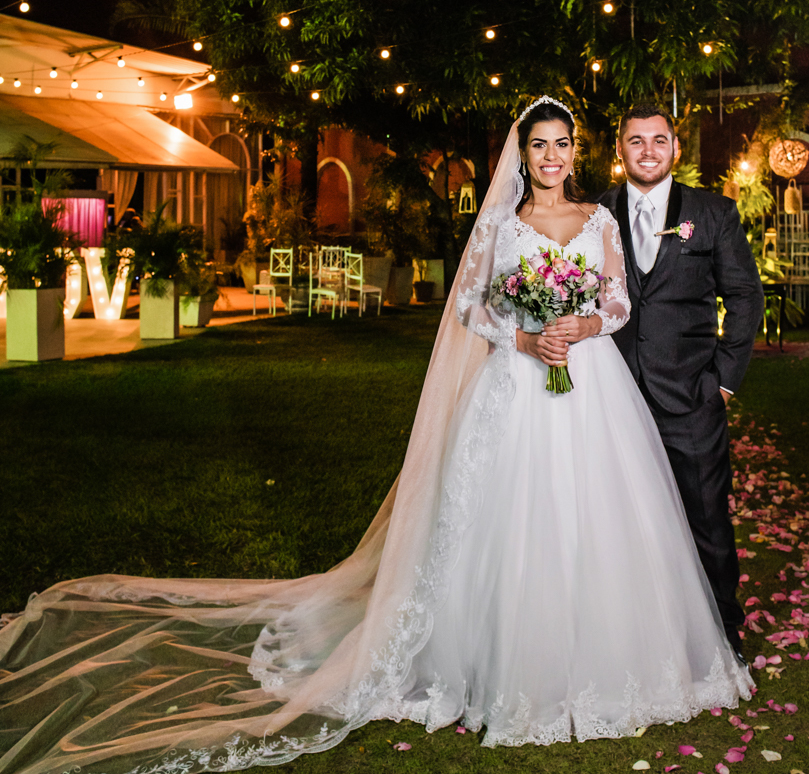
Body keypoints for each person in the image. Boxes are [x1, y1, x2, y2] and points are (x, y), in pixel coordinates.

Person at [0, 98, 752, 774]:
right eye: (538, 146)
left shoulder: (597, 220)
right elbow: (471, 311)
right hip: (517, 387)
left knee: (601, 518)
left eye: (561, 145)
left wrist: (583, 322)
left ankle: (614, 655)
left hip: (590, 388)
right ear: (521, 155)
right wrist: (524, 342)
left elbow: (618, 300)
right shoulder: (502, 226)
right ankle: (492, 665)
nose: (550, 157)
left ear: (576, 152)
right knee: (504, 521)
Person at [596, 103, 764, 664]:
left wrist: (724, 381)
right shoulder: (594, 213)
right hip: (612, 395)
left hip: (691, 397)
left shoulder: (713, 212)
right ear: (618, 149)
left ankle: (723, 637)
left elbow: (744, 297)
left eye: (658, 140)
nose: (647, 150)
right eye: (635, 140)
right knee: (616, 519)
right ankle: (636, 636)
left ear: (675, 148)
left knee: (707, 519)